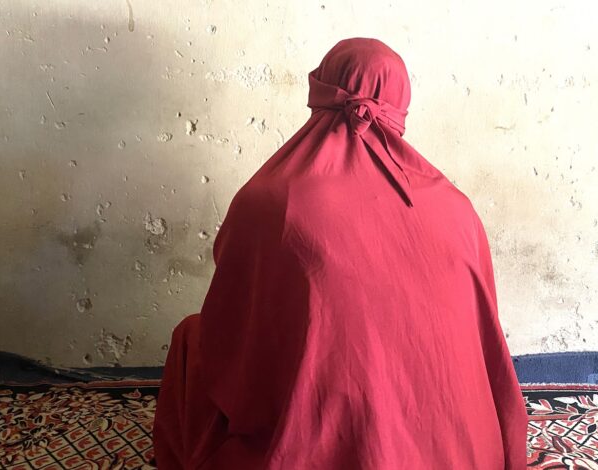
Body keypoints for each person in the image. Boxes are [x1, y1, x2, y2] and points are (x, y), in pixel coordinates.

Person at [153, 37, 528, 469]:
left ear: (320, 90)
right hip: (464, 452)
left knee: (192, 337)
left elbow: (236, 322)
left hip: (313, 443)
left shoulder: (268, 199)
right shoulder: (456, 207)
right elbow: (484, 343)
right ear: (401, 103)